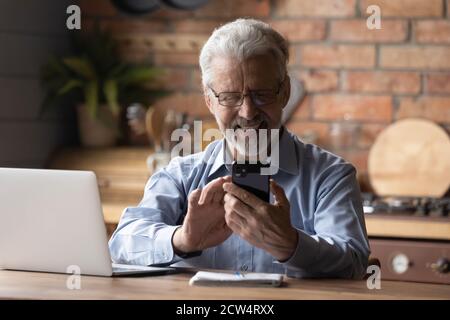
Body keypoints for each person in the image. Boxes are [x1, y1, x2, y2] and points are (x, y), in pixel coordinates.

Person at [109, 18, 370, 279]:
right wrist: (182, 238)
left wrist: (291, 244)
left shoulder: (330, 176)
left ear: (285, 92)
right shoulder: (180, 175)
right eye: (230, 96)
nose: (248, 112)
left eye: (262, 94)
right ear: (209, 100)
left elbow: (356, 263)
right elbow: (120, 244)